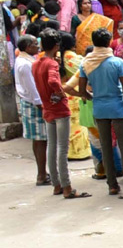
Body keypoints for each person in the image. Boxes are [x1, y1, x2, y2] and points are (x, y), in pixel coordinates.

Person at [77, 28, 123, 197]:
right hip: (117, 106)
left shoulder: (86, 62)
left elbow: (82, 90)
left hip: (100, 108)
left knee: (106, 147)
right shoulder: (117, 62)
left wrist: (95, 97)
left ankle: (112, 185)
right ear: (108, 43)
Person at [33, 32, 89, 198]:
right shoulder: (52, 64)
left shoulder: (36, 63)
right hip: (59, 109)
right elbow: (53, 81)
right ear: (56, 46)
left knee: (52, 146)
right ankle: (67, 187)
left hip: (47, 108)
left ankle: (57, 185)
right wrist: (60, 93)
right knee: (62, 149)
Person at [14, 35, 48, 186]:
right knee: (40, 139)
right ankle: (41, 174)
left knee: (39, 139)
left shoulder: (25, 60)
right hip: (34, 103)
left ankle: (43, 172)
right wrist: (41, 105)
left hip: (32, 102)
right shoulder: (25, 64)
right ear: (28, 47)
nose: (38, 46)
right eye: (35, 44)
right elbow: (32, 87)